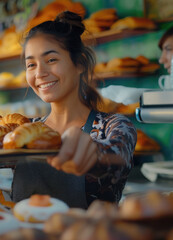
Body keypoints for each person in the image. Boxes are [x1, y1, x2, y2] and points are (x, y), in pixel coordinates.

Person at [11, 11, 137, 208]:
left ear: (79, 64)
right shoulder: (26, 131)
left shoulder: (114, 126)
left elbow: (117, 158)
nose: (40, 73)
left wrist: (94, 154)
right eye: (31, 64)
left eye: (51, 60)